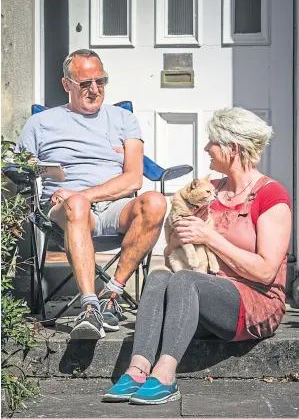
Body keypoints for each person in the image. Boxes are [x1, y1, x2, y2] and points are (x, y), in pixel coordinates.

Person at [103, 107, 291, 405]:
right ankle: (137, 369)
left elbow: (267, 272)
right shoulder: (207, 192)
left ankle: (165, 375)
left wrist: (210, 238)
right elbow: (170, 251)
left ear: (233, 148)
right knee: (161, 275)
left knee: (185, 280)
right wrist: (177, 236)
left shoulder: (271, 196)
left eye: (212, 142)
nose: (206, 149)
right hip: (204, 296)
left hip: (254, 302)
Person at [15, 49, 167, 339]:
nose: (95, 90)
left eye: (101, 81)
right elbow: (19, 167)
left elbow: (134, 177)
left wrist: (83, 193)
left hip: (113, 207)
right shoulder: (40, 123)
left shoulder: (124, 119)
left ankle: (111, 294)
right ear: (66, 84)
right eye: (85, 83)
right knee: (76, 205)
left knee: (156, 201)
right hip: (65, 212)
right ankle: (89, 307)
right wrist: (34, 169)